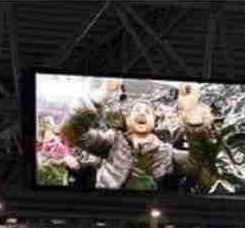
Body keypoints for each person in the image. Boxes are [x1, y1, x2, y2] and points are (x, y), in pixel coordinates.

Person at [60, 80, 217, 192]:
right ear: (127, 121)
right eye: (136, 110)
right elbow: (73, 133)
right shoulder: (112, 142)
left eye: (147, 112)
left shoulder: (167, 153)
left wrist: (192, 118)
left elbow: (199, 164)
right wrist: (101, 94)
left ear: (155, 123)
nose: (142, 112)